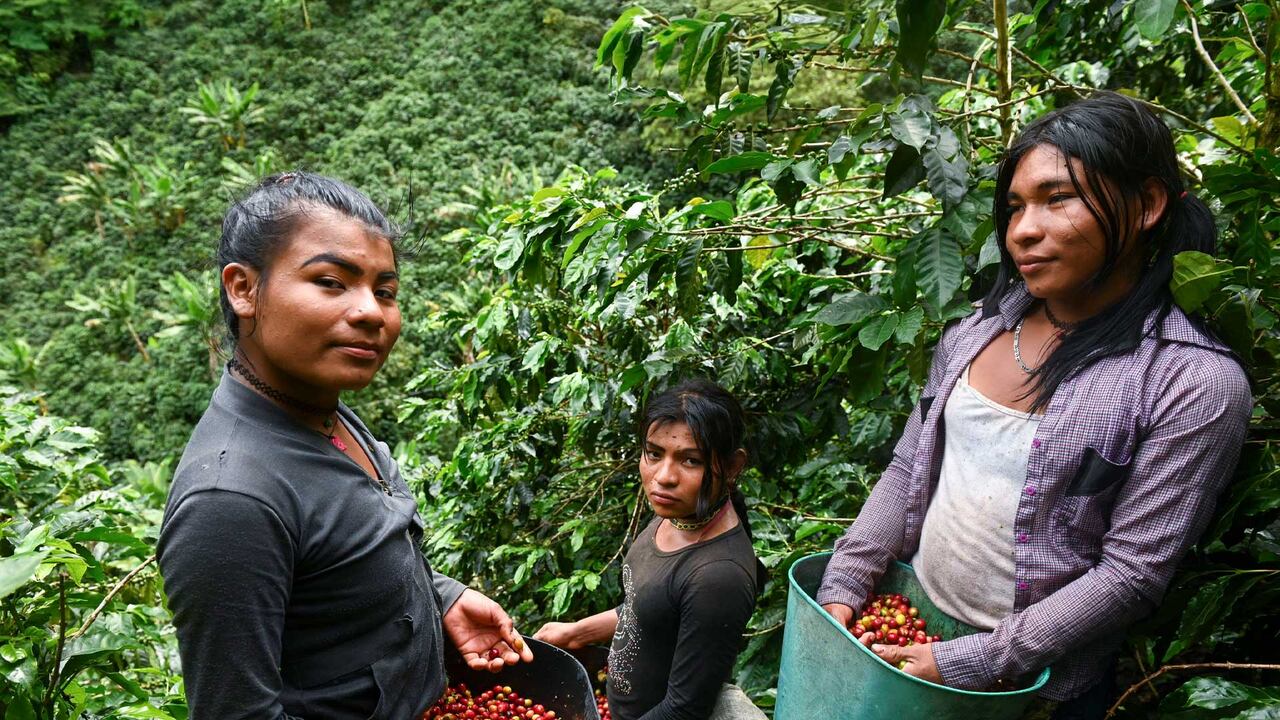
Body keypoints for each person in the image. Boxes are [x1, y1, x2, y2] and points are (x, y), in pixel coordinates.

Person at [817, 92, 1252, 719]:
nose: (1022, 229)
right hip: (909, 630)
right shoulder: (975, 333)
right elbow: (909, 467)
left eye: (1058, 198)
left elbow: (1131, 573)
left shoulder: (1192, 383)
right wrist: (847, 584)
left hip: (1034, 691)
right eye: (1016, 205)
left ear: (1148, 205)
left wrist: (973, 660)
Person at [157, 171, 533, 720]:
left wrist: (441, 597)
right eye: (332, 282)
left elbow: (343, 556)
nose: (371, 312)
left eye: (385, 291)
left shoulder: (321, 410)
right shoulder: (231, 500)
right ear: (244, 289)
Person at [534, 379, 766, 720]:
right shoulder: (677, 513)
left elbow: (683, 710)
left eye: (690, 461)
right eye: (654, 454)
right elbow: (648, 607)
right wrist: (574, 632)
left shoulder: (718, 577)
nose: (663, 477)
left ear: (731, 467)